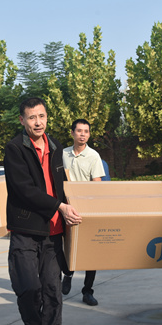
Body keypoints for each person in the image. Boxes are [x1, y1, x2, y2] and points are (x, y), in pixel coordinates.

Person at [4, 97, 81, 325]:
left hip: (53, 231)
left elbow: (61, 183)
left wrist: (73, 205)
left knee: (52, 290)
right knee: (27, 286)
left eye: (42, 116)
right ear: (22, 120)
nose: (38, 122)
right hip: (25, 227)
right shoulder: (15, 148)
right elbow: (23, 189)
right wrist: (59, 206)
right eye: (32, 117)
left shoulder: (55, 146)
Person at [61, 119, 106, 306]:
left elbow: (97, 185)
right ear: (72, 133)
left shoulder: (94, 156)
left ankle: (88, 291)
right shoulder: (63, 154)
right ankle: (68, 273)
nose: (83, 134)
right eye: (79, 131)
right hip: (67, 208)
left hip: (87, 209)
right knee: (67, 246)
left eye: (86, 131)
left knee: (91, 251)